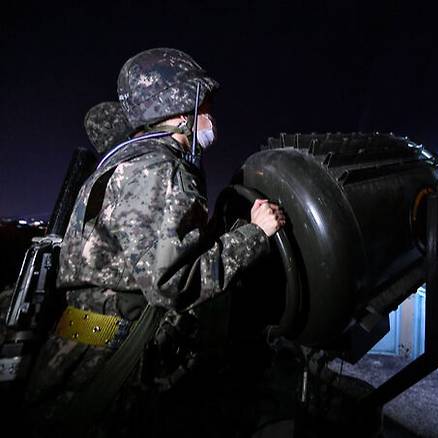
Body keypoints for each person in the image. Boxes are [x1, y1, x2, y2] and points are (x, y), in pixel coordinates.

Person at [24, 47, 285, 436]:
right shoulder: (162, 170)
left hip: (77, 348)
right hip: (118, 364)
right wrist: (256, 234)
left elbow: (136, 256)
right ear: (181, 111)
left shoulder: (122, 164)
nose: (211, 117)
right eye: (206, 106)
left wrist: (215, 233)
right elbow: (171, 284)